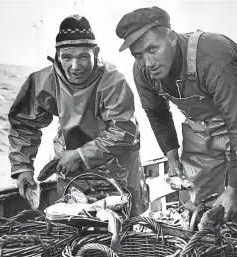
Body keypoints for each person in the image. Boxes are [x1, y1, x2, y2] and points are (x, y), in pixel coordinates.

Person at [115, 6, 237, 244]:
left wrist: (234, 189)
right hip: (200, 123)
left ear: (171, 38)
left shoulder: (213, 55)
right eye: (138, 55)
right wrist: (171, 157)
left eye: (153, 49)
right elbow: (157, 113)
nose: (148, 62)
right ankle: (203, 246)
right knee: (196, 195)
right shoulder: (143, 71)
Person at [8, 14, 148, 216]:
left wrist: (81, 155)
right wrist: (23, 168)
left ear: (96, 53)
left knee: (121, 228)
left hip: (118, 173)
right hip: (71, 173)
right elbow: (24, 124)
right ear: (57, 55)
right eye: (67, 57)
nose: (75, 66)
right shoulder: (44, 81)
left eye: (83, 57)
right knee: (75, 227)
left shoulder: (114, 82)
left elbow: (124, 131)